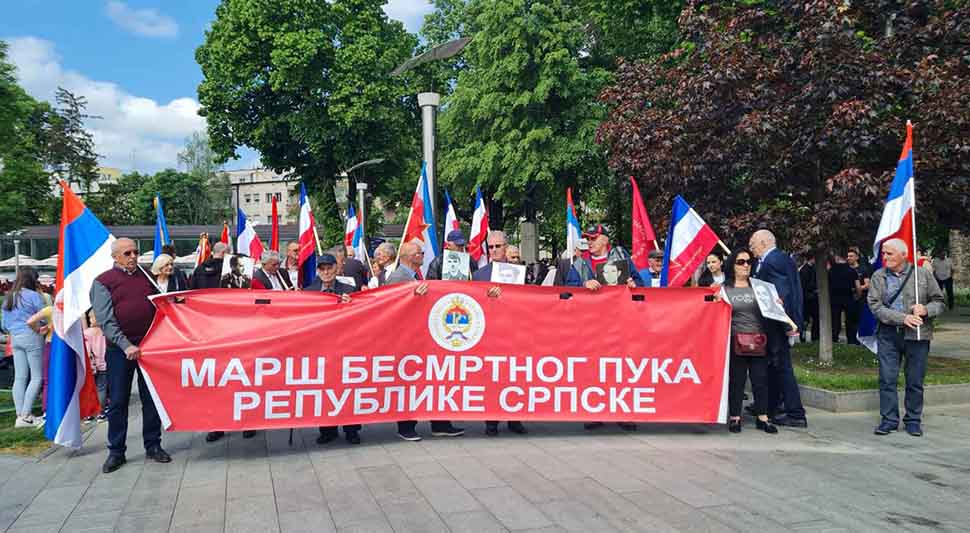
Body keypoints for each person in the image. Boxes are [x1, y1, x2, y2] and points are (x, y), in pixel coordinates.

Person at [90, 238, 170, 473]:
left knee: (151, 398)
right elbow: (105, 320)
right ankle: (116, 451)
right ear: (115, 257)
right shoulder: (103, 281)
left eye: (135, 252)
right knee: (118, 401)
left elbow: (160, 306)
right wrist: (126, 346)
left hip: (149, 348)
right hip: (120, 350)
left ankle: (153, 445)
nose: (133, 256)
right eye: (127, 253)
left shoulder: (146, 276)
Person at [386, 242, 465, 441]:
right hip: (407, 339)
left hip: (424, 336)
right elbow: (391, 307)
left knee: (434, 379)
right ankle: (406, 426)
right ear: (408, 257)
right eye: (419, 253)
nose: (423, 255)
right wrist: (412, 296)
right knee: (408, 383)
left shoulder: (415, 275)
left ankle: (440, 424)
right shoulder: (397, 278)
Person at [868, 238, 945, 437]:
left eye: (889, 253)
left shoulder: (922, 274)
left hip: (917, 335)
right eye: (883, 253)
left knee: (915, 380)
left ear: (904, 255)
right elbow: (875, 306)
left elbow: (939, 302)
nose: (885, 257)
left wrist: (925, 310)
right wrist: (903, 318)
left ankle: (913, 420)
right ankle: (889, 420)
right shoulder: (878, 276)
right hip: (888, 335)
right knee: (887, 379)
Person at [471, 231, 528, 436]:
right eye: (491, 247)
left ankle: (515, 419)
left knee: (515, 376)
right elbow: (474, 304)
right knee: (492, 377)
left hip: (514, 331)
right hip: (491, 334)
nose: (494, 250)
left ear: (506, 247)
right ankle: (491, 421)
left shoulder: (519, 272)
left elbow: (529, 300)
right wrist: (487, 298)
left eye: (498, 246)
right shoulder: (479, 275)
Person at [749, 229, 807, 428]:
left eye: (753, 244)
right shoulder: (778, 259)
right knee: (773, 367)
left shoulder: (773, 261)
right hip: (776, 324)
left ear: (763, 242)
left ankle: (795, 413)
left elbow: (781, 296)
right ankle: (770, 407)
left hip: (776, 325)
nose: (751, 248)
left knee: (782, 368)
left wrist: (788, 325)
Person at [304, 254, 361, 444]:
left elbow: (362, 316)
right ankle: (327, 430)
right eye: (322, 269)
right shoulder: (309, 292)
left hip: (346, 347)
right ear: (317, 271)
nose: (326, 272)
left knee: (348, 389)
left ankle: (352, 430)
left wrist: (352, 305)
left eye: (329, 268)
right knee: (324, 390)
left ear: (337, 269)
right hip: (320, 348)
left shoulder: (350, 290)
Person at [724, 249, 777, 435]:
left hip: (758, 339)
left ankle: (763, 417)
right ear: (732, 265)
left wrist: (777, 304)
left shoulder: (760, 287)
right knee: (737, 381)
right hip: (734, 340)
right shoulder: (723, 289)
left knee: (760, 379)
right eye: (741, 262)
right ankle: (735, 417)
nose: (746, 265)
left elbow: (772, 309)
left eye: (748, 261)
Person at [1, 267, 46, 428]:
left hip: (15, 338)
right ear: (32, 280)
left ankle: (20, 415)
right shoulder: (34, 296)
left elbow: (3, 325)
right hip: (32, 336)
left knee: (20, 377)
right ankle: (26, 415)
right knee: (36, 377)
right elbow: (43, 318)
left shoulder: (9, 297)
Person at [561, 225, 644, 290]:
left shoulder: (621, 255)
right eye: (587, 239)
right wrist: (584, 284)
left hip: (618, 305)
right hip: (590, 306)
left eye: (593, 238)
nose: (589, 242)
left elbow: (639, 283)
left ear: (605, 240)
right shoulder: (579, 262)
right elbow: (569, 289)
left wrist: (633, 284)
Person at [83, 309, 109, 421]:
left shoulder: (88, 333)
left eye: (91, 317)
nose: (89, 320)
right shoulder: (105, 331)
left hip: (92, 366)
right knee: (101, 388)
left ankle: (89, 413)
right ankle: (100, 413)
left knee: (90, 389)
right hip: (104, 364)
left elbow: (87, 350)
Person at [828, 253, 858, 343]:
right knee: (850, 320)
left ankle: (834, 337)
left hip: (834, 297)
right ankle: (851, 339)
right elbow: (857, 286)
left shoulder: (831, 270)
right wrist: (858, 295)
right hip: (848, 296)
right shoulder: (851, 271)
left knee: (835, 319)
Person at [846, 247, 872, 344]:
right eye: (848, 256)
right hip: (848, 299)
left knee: (859, 320)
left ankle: (859, 341)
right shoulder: (846, 269)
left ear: (856, 257)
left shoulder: (863, 269)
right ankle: (850, 341)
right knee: (849, 321)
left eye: (851, 256)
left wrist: (857, 288)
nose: (849, 258)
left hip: (860, 299)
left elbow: (867, 284)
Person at [799, 255, 820, 342]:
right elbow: (806, 285)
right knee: (808, 319)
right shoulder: (805, 270)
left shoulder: (807, 269)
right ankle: (810, 336)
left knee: (811, 318)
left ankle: (808, 336)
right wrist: (815, 289)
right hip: (808, 298)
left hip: (808, 297)